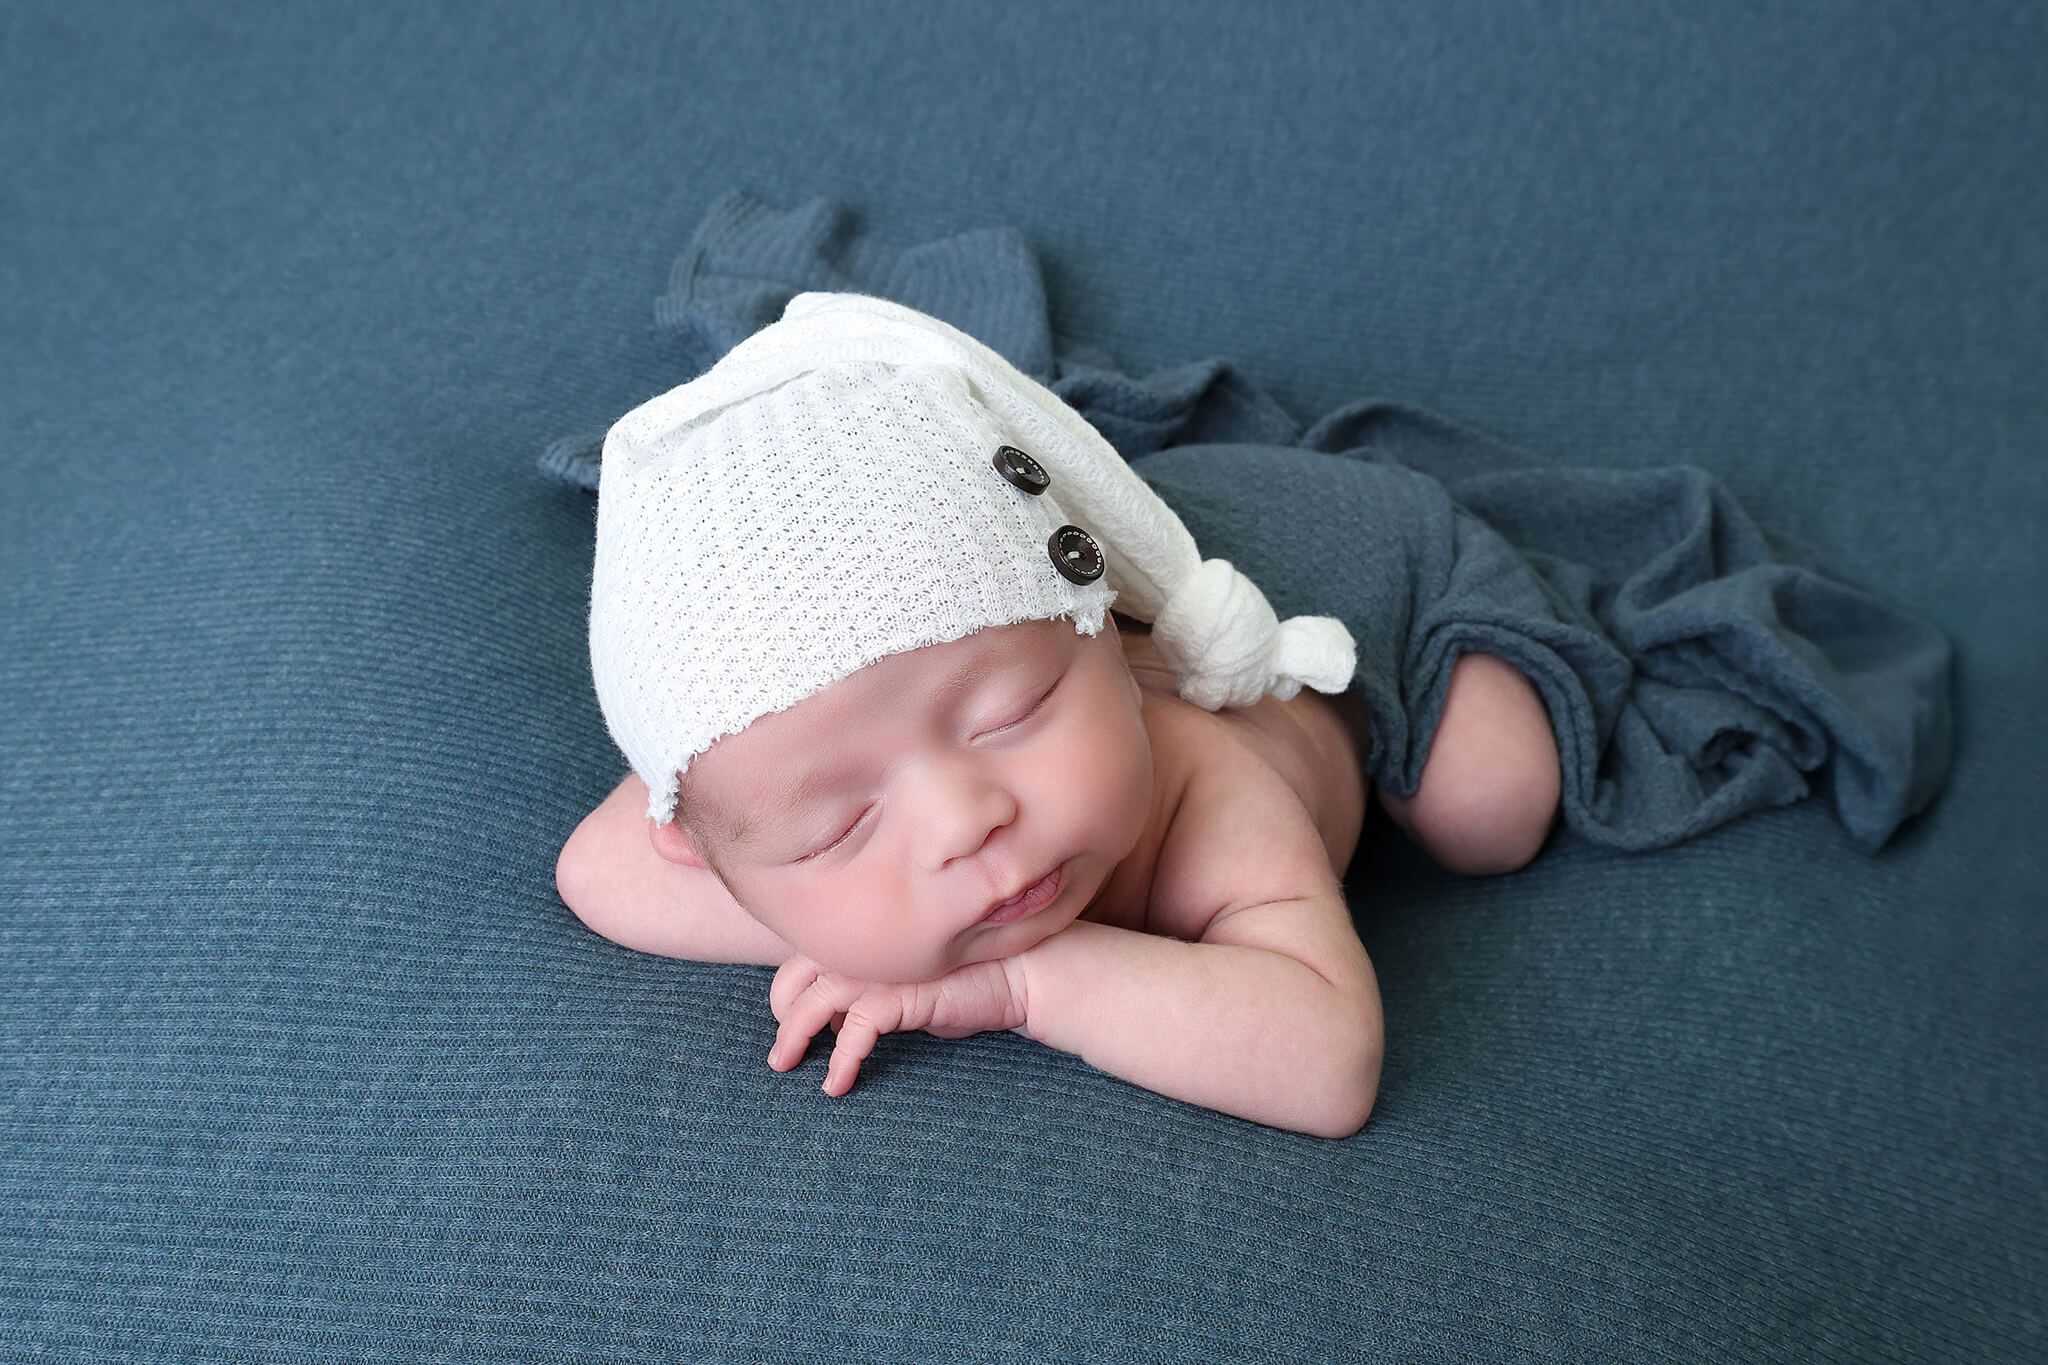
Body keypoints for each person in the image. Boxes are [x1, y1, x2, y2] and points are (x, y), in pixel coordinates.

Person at [554, 294, 1560, 1139]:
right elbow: (602, 867)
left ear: (1108, 634)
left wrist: (1023, 986)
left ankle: (1445, 552)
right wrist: (838, 914)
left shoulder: (1206, 792)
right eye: (842, 823)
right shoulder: (728, 817)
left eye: (1011, 712)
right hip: (981, 636)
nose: (967, 819)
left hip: (1359, 553)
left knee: (1489, 810)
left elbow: (1327, 1061)